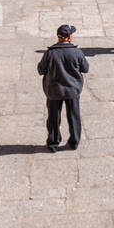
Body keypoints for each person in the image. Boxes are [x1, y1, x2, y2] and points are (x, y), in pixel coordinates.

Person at [38, 24, 89, 152]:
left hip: (54, 91)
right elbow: (85, 68)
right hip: (72, 90)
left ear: (58, 37)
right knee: (74, 116)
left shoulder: (49, 53)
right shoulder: (77, 52)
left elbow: (40, 70)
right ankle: (74, 142)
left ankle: (53, 143)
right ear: (70, 37)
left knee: (53, 118)